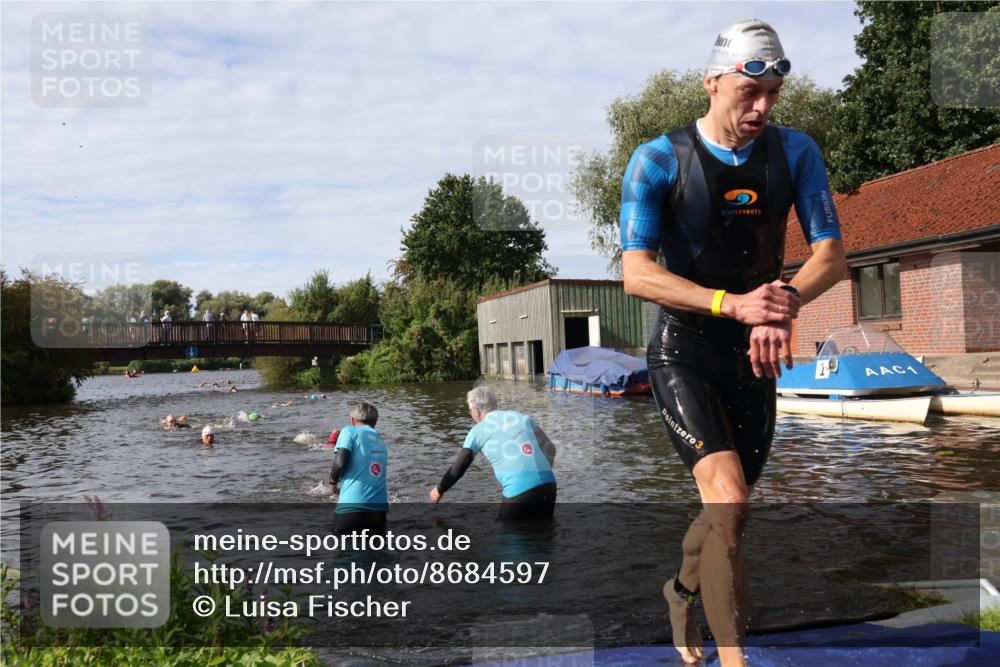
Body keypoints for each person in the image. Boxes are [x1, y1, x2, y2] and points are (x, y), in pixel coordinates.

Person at [619, 19, 847, 667]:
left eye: (774, 93)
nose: (763, 107)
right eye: (751, 91)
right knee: (730, 499)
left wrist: (784, 303)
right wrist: (733, 302)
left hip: (755, 353)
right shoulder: (659, 159)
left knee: (731, 513)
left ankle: (679, 589)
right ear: (712, 81)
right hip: (684, 349)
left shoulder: (796, 152)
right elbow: (636, 273)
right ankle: (735, 660)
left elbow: (831, 254)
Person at [429, 387, 557, 521]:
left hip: (519, 490)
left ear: (476, 410)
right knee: (543, 534)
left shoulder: (476, 432)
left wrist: (439, 489)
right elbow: (551, 450)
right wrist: (538, 478)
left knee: (509, 536)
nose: (470, 414)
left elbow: (458, 469)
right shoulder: (522, 417)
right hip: (549, 485)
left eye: (469, 410)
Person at [328, 402, 389, 534]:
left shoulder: (348, 431)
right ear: (376, 422)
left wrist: (332, 483)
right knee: (376, 551)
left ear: (353, 420)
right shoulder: (380, 440)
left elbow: (340, 462)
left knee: (342, 549)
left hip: (352, 508)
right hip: (379, 510)